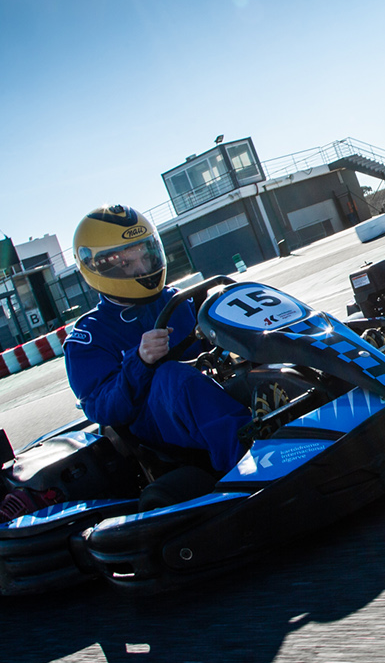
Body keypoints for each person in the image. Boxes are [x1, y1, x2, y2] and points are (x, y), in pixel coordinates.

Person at [62, 204, 252, 483]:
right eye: (127, 263)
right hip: (155, 426)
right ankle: (249, 458)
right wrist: (139, 362)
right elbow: (102, 408)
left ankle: (314, 393)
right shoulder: (89, 337)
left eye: (145, 257)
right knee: (171, 375)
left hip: (210, 391)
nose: (142, 268)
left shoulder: (183, 298)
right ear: (99, 267)